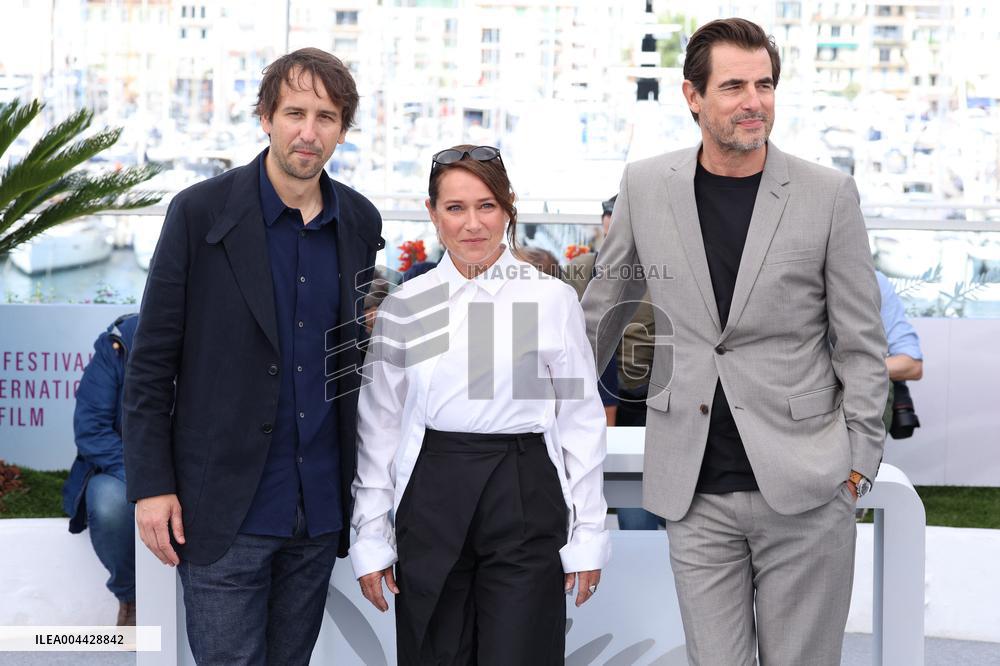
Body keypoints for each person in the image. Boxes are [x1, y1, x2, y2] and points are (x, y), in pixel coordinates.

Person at [581, 18, 888, 665]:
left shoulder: (828, 195)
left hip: (808, 486)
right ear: (693, 96)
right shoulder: (645, 184)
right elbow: (602, 311)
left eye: (765, 84)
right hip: (693, 490)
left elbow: (860, 340)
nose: (755, 101)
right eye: (734, 86)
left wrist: (857, 462)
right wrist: (533, 404)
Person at [123, 48, 383, 664]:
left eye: (326, 116)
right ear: (266, 117)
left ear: (342, 129)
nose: (308, 131)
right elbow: (152, 362)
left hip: (317, 509)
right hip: (223, 509)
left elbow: (352, 363)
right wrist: (151, 486)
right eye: (295, 112)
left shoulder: (360, 221)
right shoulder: (200, 212)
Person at [351, 145, 610, 665]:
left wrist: (588, 535)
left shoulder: (550, 299)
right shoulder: (407, 305)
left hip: (525, 489)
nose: (473, 224)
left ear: (509, 208)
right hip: (431, 494)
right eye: (456, 207)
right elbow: (378, 427)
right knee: (435, 654)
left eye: (487, 205)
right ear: (432, 213)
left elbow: (580, 422)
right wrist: (371, 537)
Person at [62, 313, 139, 627]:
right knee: (109, 502)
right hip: (125, 467)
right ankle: (132, 596)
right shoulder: (118, 344)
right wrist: (148, 479)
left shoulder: (211, 339)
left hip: (193, 472)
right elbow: (91, 430)